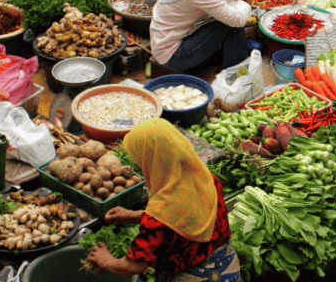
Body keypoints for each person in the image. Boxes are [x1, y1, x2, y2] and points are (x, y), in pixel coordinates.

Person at [85, 119, 239, 281]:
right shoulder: (203, 178)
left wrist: (107, 261)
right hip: (228, 267)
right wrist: (136, 216)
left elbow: (134, 266)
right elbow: (183, 218)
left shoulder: (161, 211)